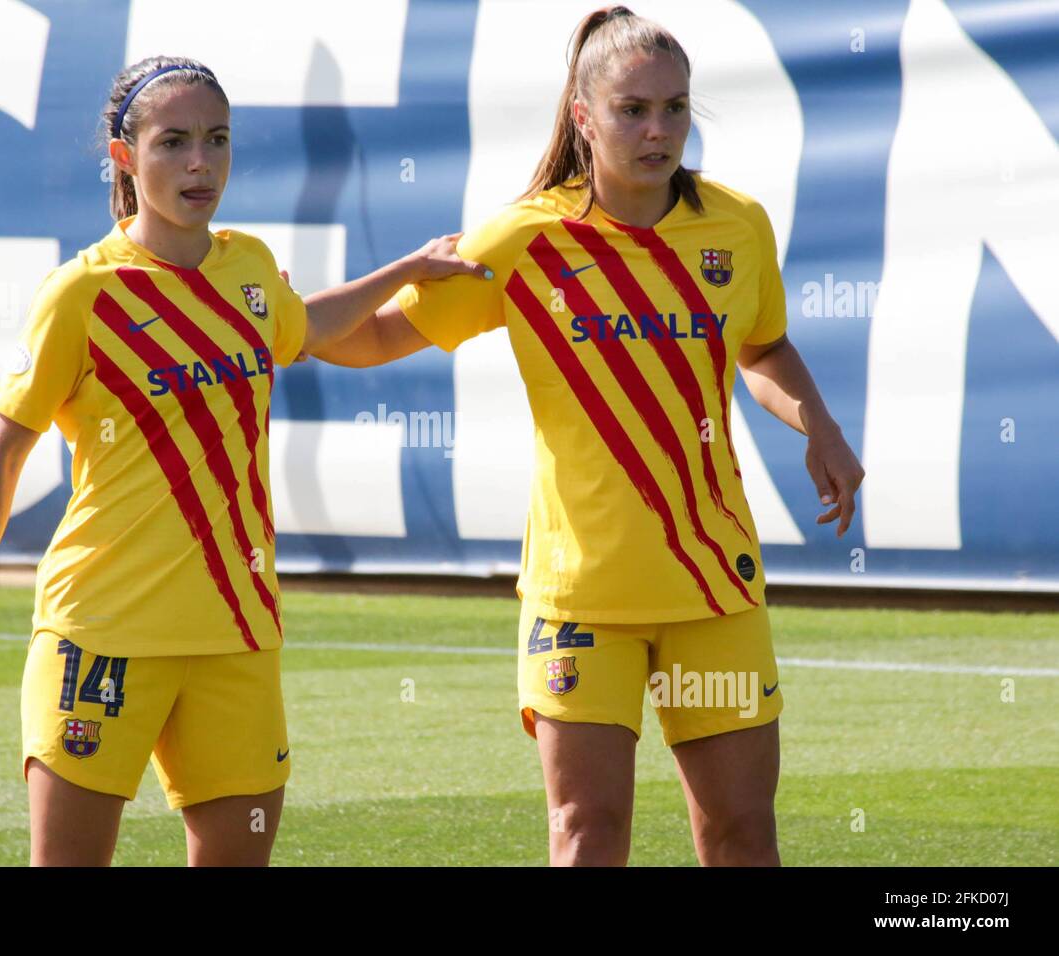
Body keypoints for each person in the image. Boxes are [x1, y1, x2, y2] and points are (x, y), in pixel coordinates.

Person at [309, 7, 865, 866]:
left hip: (711, 589)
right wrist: (280, 316)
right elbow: (376, 338)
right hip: (581, 603)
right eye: (633, 110)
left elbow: (761, 346)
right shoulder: (525, 237)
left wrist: (816, 422)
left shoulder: (736, 224)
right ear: (581, 116)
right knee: (586, 834)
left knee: (741, 832)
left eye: (675, 109)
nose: (659, 130)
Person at [0, 55, 484, 866]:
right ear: (126, 158)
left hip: (237, 633)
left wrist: (404, 271)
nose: (200, 163)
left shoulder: (249, 268)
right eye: (174, 142)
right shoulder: (81, 295)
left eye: (217, 140)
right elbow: (1, 457)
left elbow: (308, 327)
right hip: (101, 634)